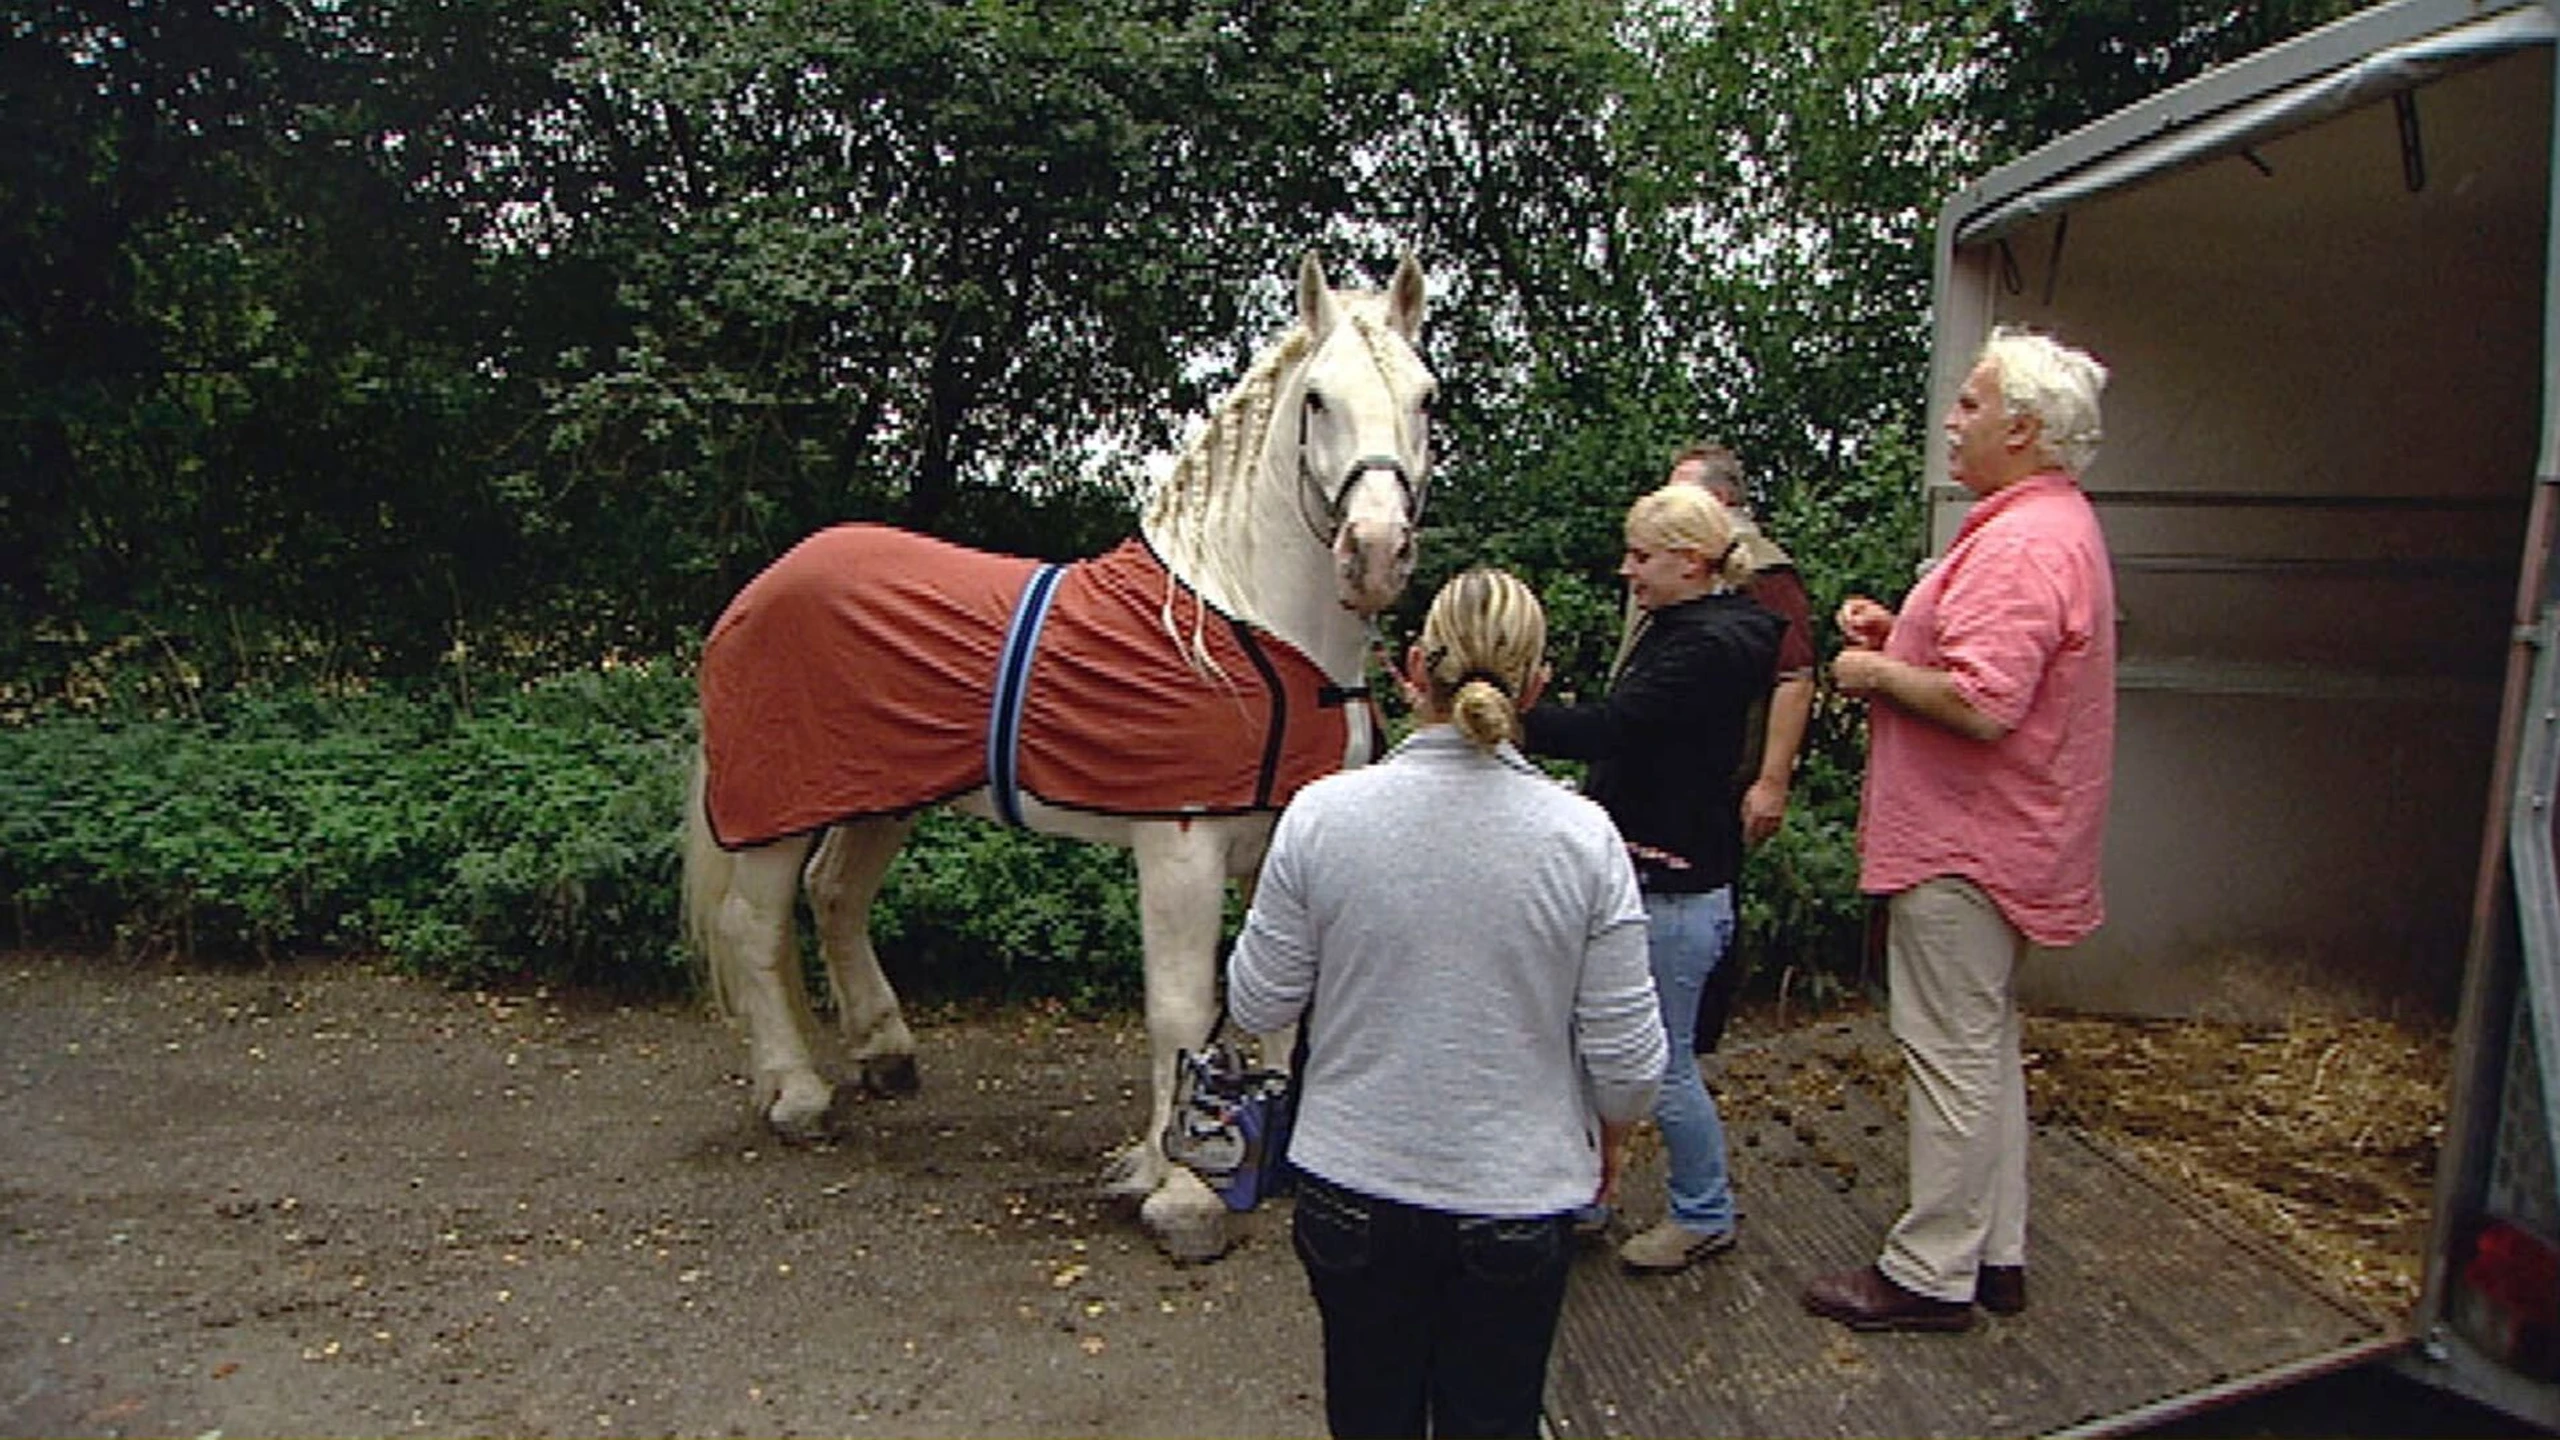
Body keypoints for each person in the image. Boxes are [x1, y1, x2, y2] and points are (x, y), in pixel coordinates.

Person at [1228, 567, 1669, 1439]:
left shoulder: (1322, 817)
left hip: (1351, 1185)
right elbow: (1629, 1066)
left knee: (1369, 1414)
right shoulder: (1583, 839)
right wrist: (1607, 1140)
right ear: (1538, 687)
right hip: (1517, 1195)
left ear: (1412, 668)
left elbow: (1256, 999)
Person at [1801, 327, 2117, 1333]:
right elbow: (1996, 669)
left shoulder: (2022, 543)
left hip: (1964, 842)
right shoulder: (2046, 526)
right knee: (1980, 1046)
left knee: (1949, 1053)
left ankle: (1930, 1271)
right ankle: (1995, 1254)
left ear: (2023, 428)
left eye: (1972, 405)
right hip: (2003, 835)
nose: (1953, 419)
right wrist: (1901, 637)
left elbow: (1985, 705)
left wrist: (1869, 674)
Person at [1523, 486, 1782, 1273]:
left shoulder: (1702, 648)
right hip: (1651, 876)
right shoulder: (1689, 631)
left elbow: (1617, 727)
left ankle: (1703, 1210)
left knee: (1660, 1064)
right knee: (1600, 1049)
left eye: (1642, 556)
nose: (1627, 570)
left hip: (1674, 892)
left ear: (1691, 561)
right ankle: (1587, 1194)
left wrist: (1515, 714)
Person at [1662, 442, 1818, 1055]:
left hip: (1723, 776)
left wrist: (1771, 780)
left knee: (1709, 904)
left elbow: (1794, 678)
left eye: (1684, 496)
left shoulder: (1763, 572)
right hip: (1676, 773)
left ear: (1722, 502)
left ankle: (1699, 1045)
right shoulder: (1679, 561)